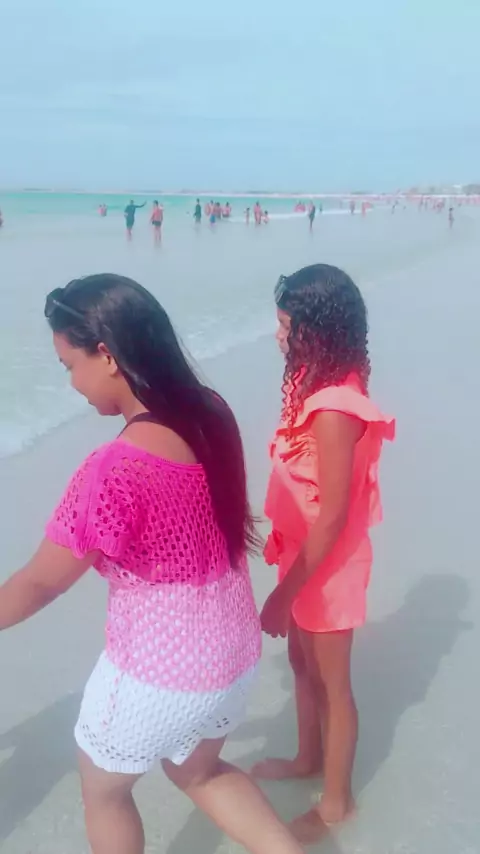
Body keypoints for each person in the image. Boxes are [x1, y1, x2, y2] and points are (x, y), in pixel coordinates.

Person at [0, 274, 304, 854]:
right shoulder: (210, 413)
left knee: (104, 794)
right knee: (200, 773)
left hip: (158, 674)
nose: (71, 383)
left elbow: (40, 582)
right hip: (232, 655)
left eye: (69, 365)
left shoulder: (116, 469)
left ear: (107, 355)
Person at [253, 264, 395, 844]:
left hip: (329, 567)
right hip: (304, 553)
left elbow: (333, 516)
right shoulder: (320, 381)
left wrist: (281, 596)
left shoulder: (336, 407)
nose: (278, 336)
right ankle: (307, 758)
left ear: (320, 330)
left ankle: (337, 804)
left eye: (287, 327)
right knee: (300, 664)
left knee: (334, 686)